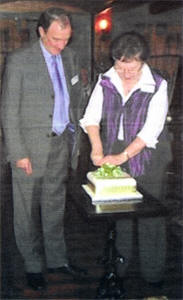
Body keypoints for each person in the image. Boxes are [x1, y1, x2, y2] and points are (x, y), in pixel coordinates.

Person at [1, 7, 87, 291]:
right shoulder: (19, 60)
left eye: (66, 39)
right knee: (25, 211)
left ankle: (56, 259)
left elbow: (73, 100)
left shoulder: (71, 57)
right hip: (29, 148)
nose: (61, 46)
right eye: (55, 40)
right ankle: (32, 264)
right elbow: (8, 111)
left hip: (61, 144)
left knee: (54, 206)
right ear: (41, 32)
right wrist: (18, 152)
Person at [80, 31, 172, 286]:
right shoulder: (106, 80)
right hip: (116, 146)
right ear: (115, 61)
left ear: (142, 62)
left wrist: (121, 156)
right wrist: (96, 149)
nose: (126, 74)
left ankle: (153, 274)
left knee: (148, 215)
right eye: (121, 68)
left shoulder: (157, 84)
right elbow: (91, 118)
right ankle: (120, 268)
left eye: (132, 69)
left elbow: (150, 131)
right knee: (120, 212)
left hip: (150, 153)